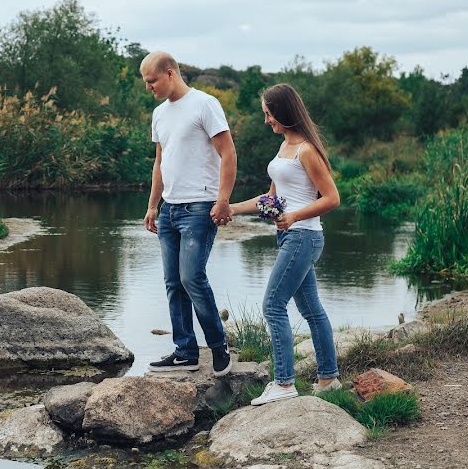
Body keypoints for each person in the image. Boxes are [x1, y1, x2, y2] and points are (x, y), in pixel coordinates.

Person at [229, 83, 341, 405]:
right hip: (293, 236)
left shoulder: (306, 149)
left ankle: (284, 383)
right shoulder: (283, 149)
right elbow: (272, 200)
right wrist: (234, 208)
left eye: (268, 113)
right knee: (310, 309)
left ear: (283, 111)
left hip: (303, 235)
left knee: (272, 304)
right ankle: (328, 379)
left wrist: (292, 217)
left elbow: (332, 198)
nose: (266, 120)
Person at [141, 51, 237, 377]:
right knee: (173, 283)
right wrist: (154, 205)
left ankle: (218, 345)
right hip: (169, 209)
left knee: (191, 277)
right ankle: (185, 352)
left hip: (200, 206)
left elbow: (228, 153)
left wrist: (223, 200)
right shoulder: (158, 114)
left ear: (169, 73)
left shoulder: (205, 104)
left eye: (151, 81)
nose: (148, 87)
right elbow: (160, 162)